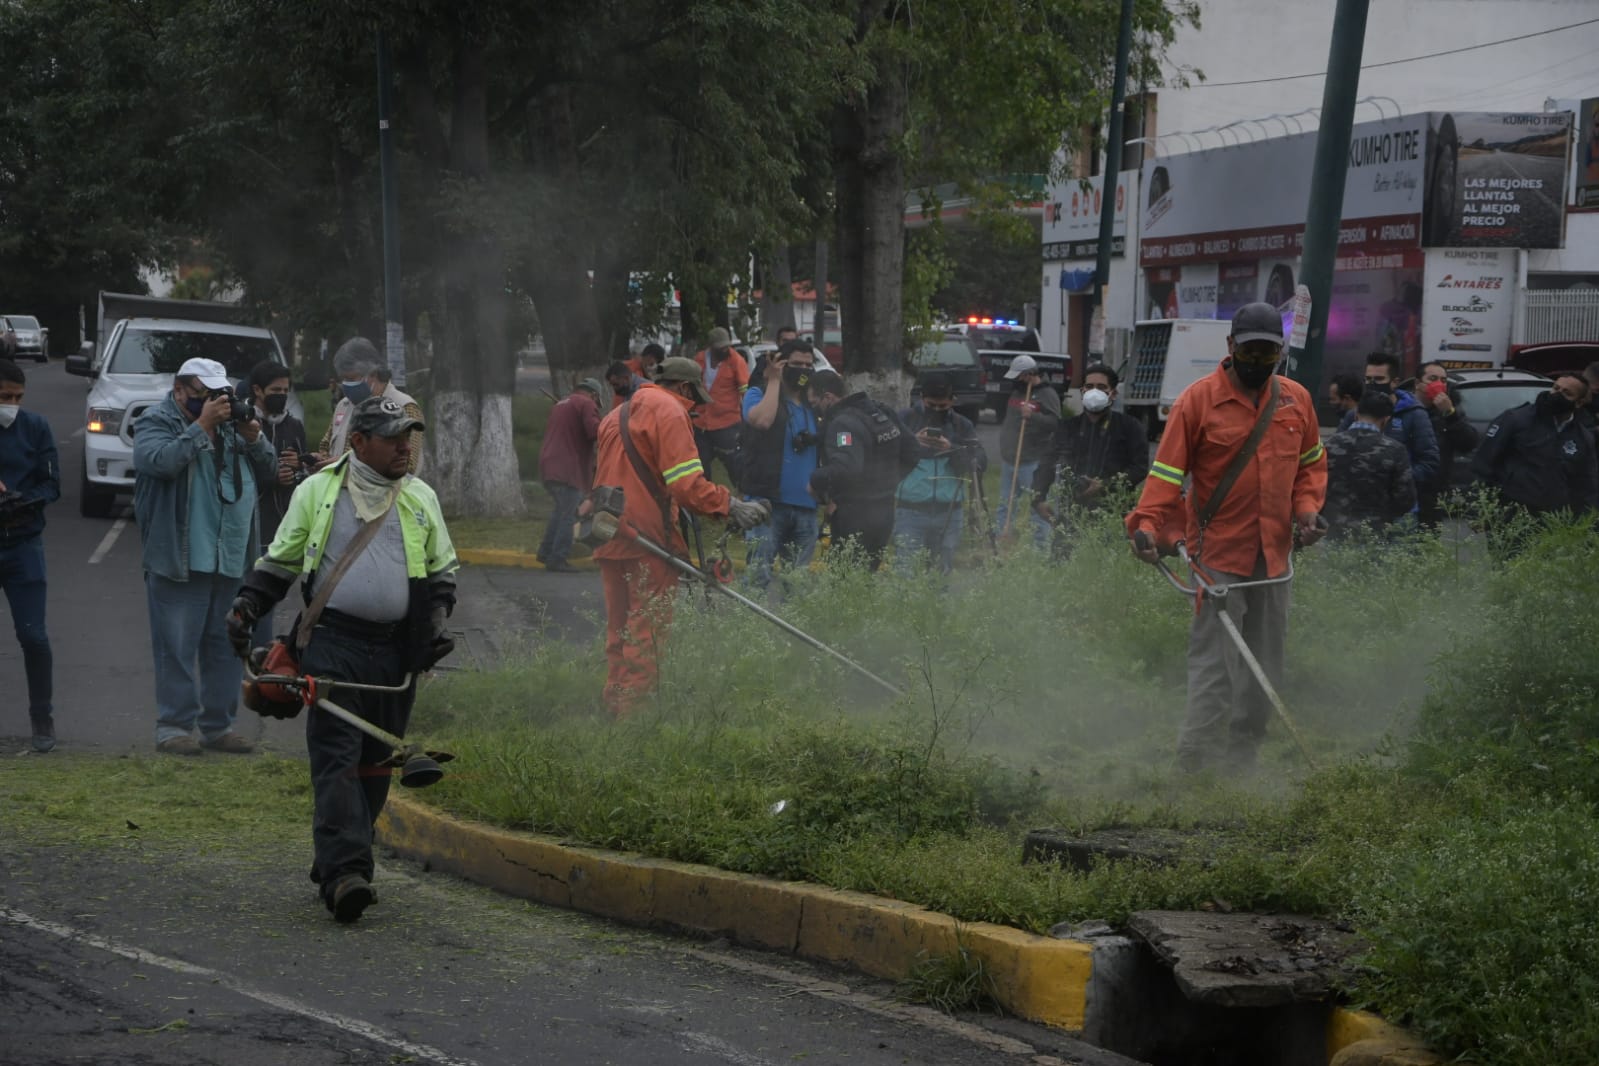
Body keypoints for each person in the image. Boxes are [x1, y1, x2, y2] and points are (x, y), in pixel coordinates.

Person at [228, 395, 458, 923]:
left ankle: (337, 857)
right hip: (332, 642)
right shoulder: (317, 492)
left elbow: (443, 574)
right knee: (335, 756)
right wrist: (247, 604)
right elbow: (280, 562)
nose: (405, 447)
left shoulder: (420, 498)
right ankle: (346, 873)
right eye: (394, 437)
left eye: (409, 437)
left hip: (396, 651)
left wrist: (436, 623)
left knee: (374, 764)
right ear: (358, 442)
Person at [1127, 302, 1327, 774]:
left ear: (1280, 353)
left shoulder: (1296, 400)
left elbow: (1311, 464)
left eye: (1269, 354)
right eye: (1251, 352)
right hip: (1216, 555)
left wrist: (1307, 513)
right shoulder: (1197, 402)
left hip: (1274, 556)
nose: (1259, 363)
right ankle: (1194, 761)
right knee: (1216, 665)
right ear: (1231, 347)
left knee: (1266, 665)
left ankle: (1243, 757)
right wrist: (1148, 525)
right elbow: (1165, 475)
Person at [592, 357, 769, 716]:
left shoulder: (615, 416)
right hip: (648, 537)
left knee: (620, 630)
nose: (695, 411)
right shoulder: (670, 411)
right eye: (695, 401)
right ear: (685, 388)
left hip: (610, 531)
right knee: (646, 631)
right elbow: (686, 485)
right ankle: (633, 719)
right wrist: (730, 505)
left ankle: (614, 705)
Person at [133, 357, 277, 755]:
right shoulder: (155, 421)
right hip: (180, 556)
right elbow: (156, 462)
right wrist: (202, 426)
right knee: (176, 647)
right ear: (179, 390)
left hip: (230, 554)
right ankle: (174, 728)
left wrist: (254, 438)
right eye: (203, 395)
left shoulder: (233, 424)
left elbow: (269, 472)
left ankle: (218, 727)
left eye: (219, 395)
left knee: (226, 644)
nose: (213, 402)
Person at [0, 359, 60, 752]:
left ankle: (42, 718)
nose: (11, 404)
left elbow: (51, 484)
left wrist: (22, 502)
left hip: (23, 544)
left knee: (33, 636)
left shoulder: (36, 428)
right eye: (4, 397)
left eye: (18, 397)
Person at [808, 370, 920, 571]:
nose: (816, 411)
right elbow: (912, 452)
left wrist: (815, 480)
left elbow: (846, 467)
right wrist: (886, 484)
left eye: (815, 404)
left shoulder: (843, 425)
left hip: (854, 514)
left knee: (844, 581)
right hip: (884, 511)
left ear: (828, 398)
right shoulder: (882, 412)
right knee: (866, 579)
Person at [1032, 363, 1147, 553]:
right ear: (1082, 391)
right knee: (1063, 569)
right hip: (1072, 514)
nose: (1095, 391)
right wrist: (1038, 498)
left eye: (1102, 387)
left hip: (1113, 514)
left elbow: (1140, 468)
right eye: (1090, 386)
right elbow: (1047, 463)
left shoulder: (1129, 427)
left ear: (1113, 394)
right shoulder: (1067, 428)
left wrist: (1105, 485)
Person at [740, 339, 821, 590]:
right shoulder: (757, 395)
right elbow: (762, 421)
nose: (803, 370)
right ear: (781, 364)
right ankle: (749, 629)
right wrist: (774, 380)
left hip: (806, 509)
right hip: (768, 505)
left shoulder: (813, 406)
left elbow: (835, 441)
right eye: (796, 364)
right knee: (757, 577)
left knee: (796, 584)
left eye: (808, 365)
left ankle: (790, 629)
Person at [1471, 374, 1598, 521]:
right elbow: (1483, 463)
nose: (1557, 395)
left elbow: (1587, 483)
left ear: (1579, 403)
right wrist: (1480, 509)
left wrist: (1586, 520)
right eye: (1556, 388)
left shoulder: (1583, 437)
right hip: (1510, 513)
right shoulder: (1516, 419)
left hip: (1553, 520)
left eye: (1567, 393)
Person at [894, 378, 985, 575]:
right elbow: (885, 454)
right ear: (921, 398)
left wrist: (951, 448)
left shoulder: (962, 425)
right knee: (905, 572)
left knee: (942, 573)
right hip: (910, 510)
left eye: (942, 406)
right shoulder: (904, 419)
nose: (936, 410)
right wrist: (912, 442)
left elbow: (979, 461)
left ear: (952, 401)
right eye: (931, 405)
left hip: (949, 512)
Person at [1338, 352, 1437, 515]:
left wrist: (1394, 479)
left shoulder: (1414, 414)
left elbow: (1429, 462)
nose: (1372, 384)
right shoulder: (1355, 413)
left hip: (1398, 510)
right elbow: (1338, 451)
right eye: (1368, 379)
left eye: (1378, 380)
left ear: (1395, 382)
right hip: (1357, 507)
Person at [1321, 392, 1417, 541]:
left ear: (1356, 414)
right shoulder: (1395, 450)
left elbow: (1316, 485)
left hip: (1332, 531)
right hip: (1374, 534)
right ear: (1386, 420)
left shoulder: (1330, 444)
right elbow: (1405, 499)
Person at [320, 339, 424, 474]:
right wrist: (318, 459)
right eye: (343, 379)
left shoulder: (404, 406)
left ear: (373, 373)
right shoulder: (344, 406)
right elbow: (326, 446)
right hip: (342, 492)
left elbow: (408, 465)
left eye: (351, 379)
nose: (346, 384)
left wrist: (345, 462)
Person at [537, 378, 603, 572]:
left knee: (560, 512)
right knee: (568, 515)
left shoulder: (562, 404)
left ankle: (545, 552)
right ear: (594, 395)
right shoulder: (586, 403)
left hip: (550, 464)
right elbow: (594, 431)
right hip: (567, 467)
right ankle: (557, 558)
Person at [994, 355, 1059, 547]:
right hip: (1010, 458)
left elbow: (1056, 424)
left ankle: (1041, 547)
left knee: (1037, 505)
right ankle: (1002, 540)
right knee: (1005, 504)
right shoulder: (1017, 392)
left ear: (1030, 374)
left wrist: (1034, 416)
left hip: (1033, 461)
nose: (1016, 380)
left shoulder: (1048, 394)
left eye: (1019, 376)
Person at [1411, 361, 1477, 526]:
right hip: (1406, 489)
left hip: (1434, 494)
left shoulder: (1449, 412)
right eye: (1433, 379)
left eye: (1443, 380)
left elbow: (1468, 443)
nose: (1439, 384)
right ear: (1418, 384)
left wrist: (1450, 414)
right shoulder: (1405, 409)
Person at [691, 327, 750, 483]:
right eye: (721, 347)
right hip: (701, 422)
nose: (726, 349)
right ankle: (704, 498)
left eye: (727, 346)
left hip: (727, 424)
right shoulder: (700, 358)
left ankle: (742, 491)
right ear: (711, 346)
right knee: (701, 465)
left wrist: (749, 417)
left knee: (734, 464)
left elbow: (745, 391)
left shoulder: (737, 361)